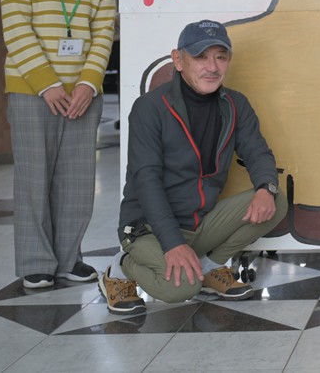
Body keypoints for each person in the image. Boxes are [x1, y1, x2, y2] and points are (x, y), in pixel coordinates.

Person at [99, 20, 288, 315]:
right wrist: (172, 243)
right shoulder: (150, 107)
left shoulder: (235, 104)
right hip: (148, 227)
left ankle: (208, 269)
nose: (212, 67)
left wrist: (266, 187)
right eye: (200, 56)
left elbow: (258, 153)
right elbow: (146, 180)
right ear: (178, 60)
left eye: (220, 57)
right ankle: (121, 267)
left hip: (200, 222)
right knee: (181, 289)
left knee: (276, 201)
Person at [0, 0, 117, 290]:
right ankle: (36, 261)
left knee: (77, 180)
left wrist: (88, 83)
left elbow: (103, 34)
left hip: (83, 94)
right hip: (31, 90)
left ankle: (69, 258)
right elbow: (16, 28)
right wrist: (48, 85)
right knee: (34, 178)